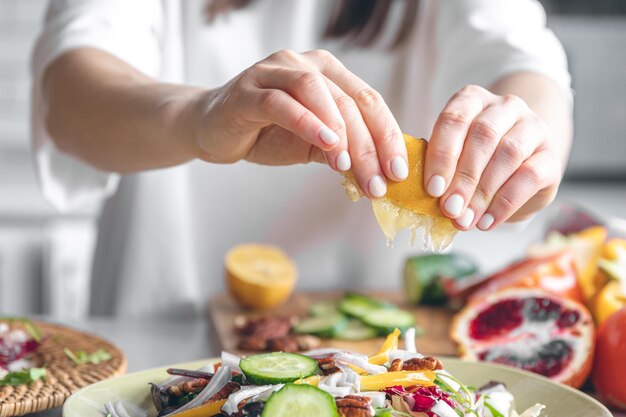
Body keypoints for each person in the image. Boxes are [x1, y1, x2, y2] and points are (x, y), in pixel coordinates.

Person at [31, 0, 572, 317]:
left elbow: (523, 61)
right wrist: (200, 115)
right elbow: (72, 88)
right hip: (158, 329)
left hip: (380, 356)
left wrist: (525, 138)